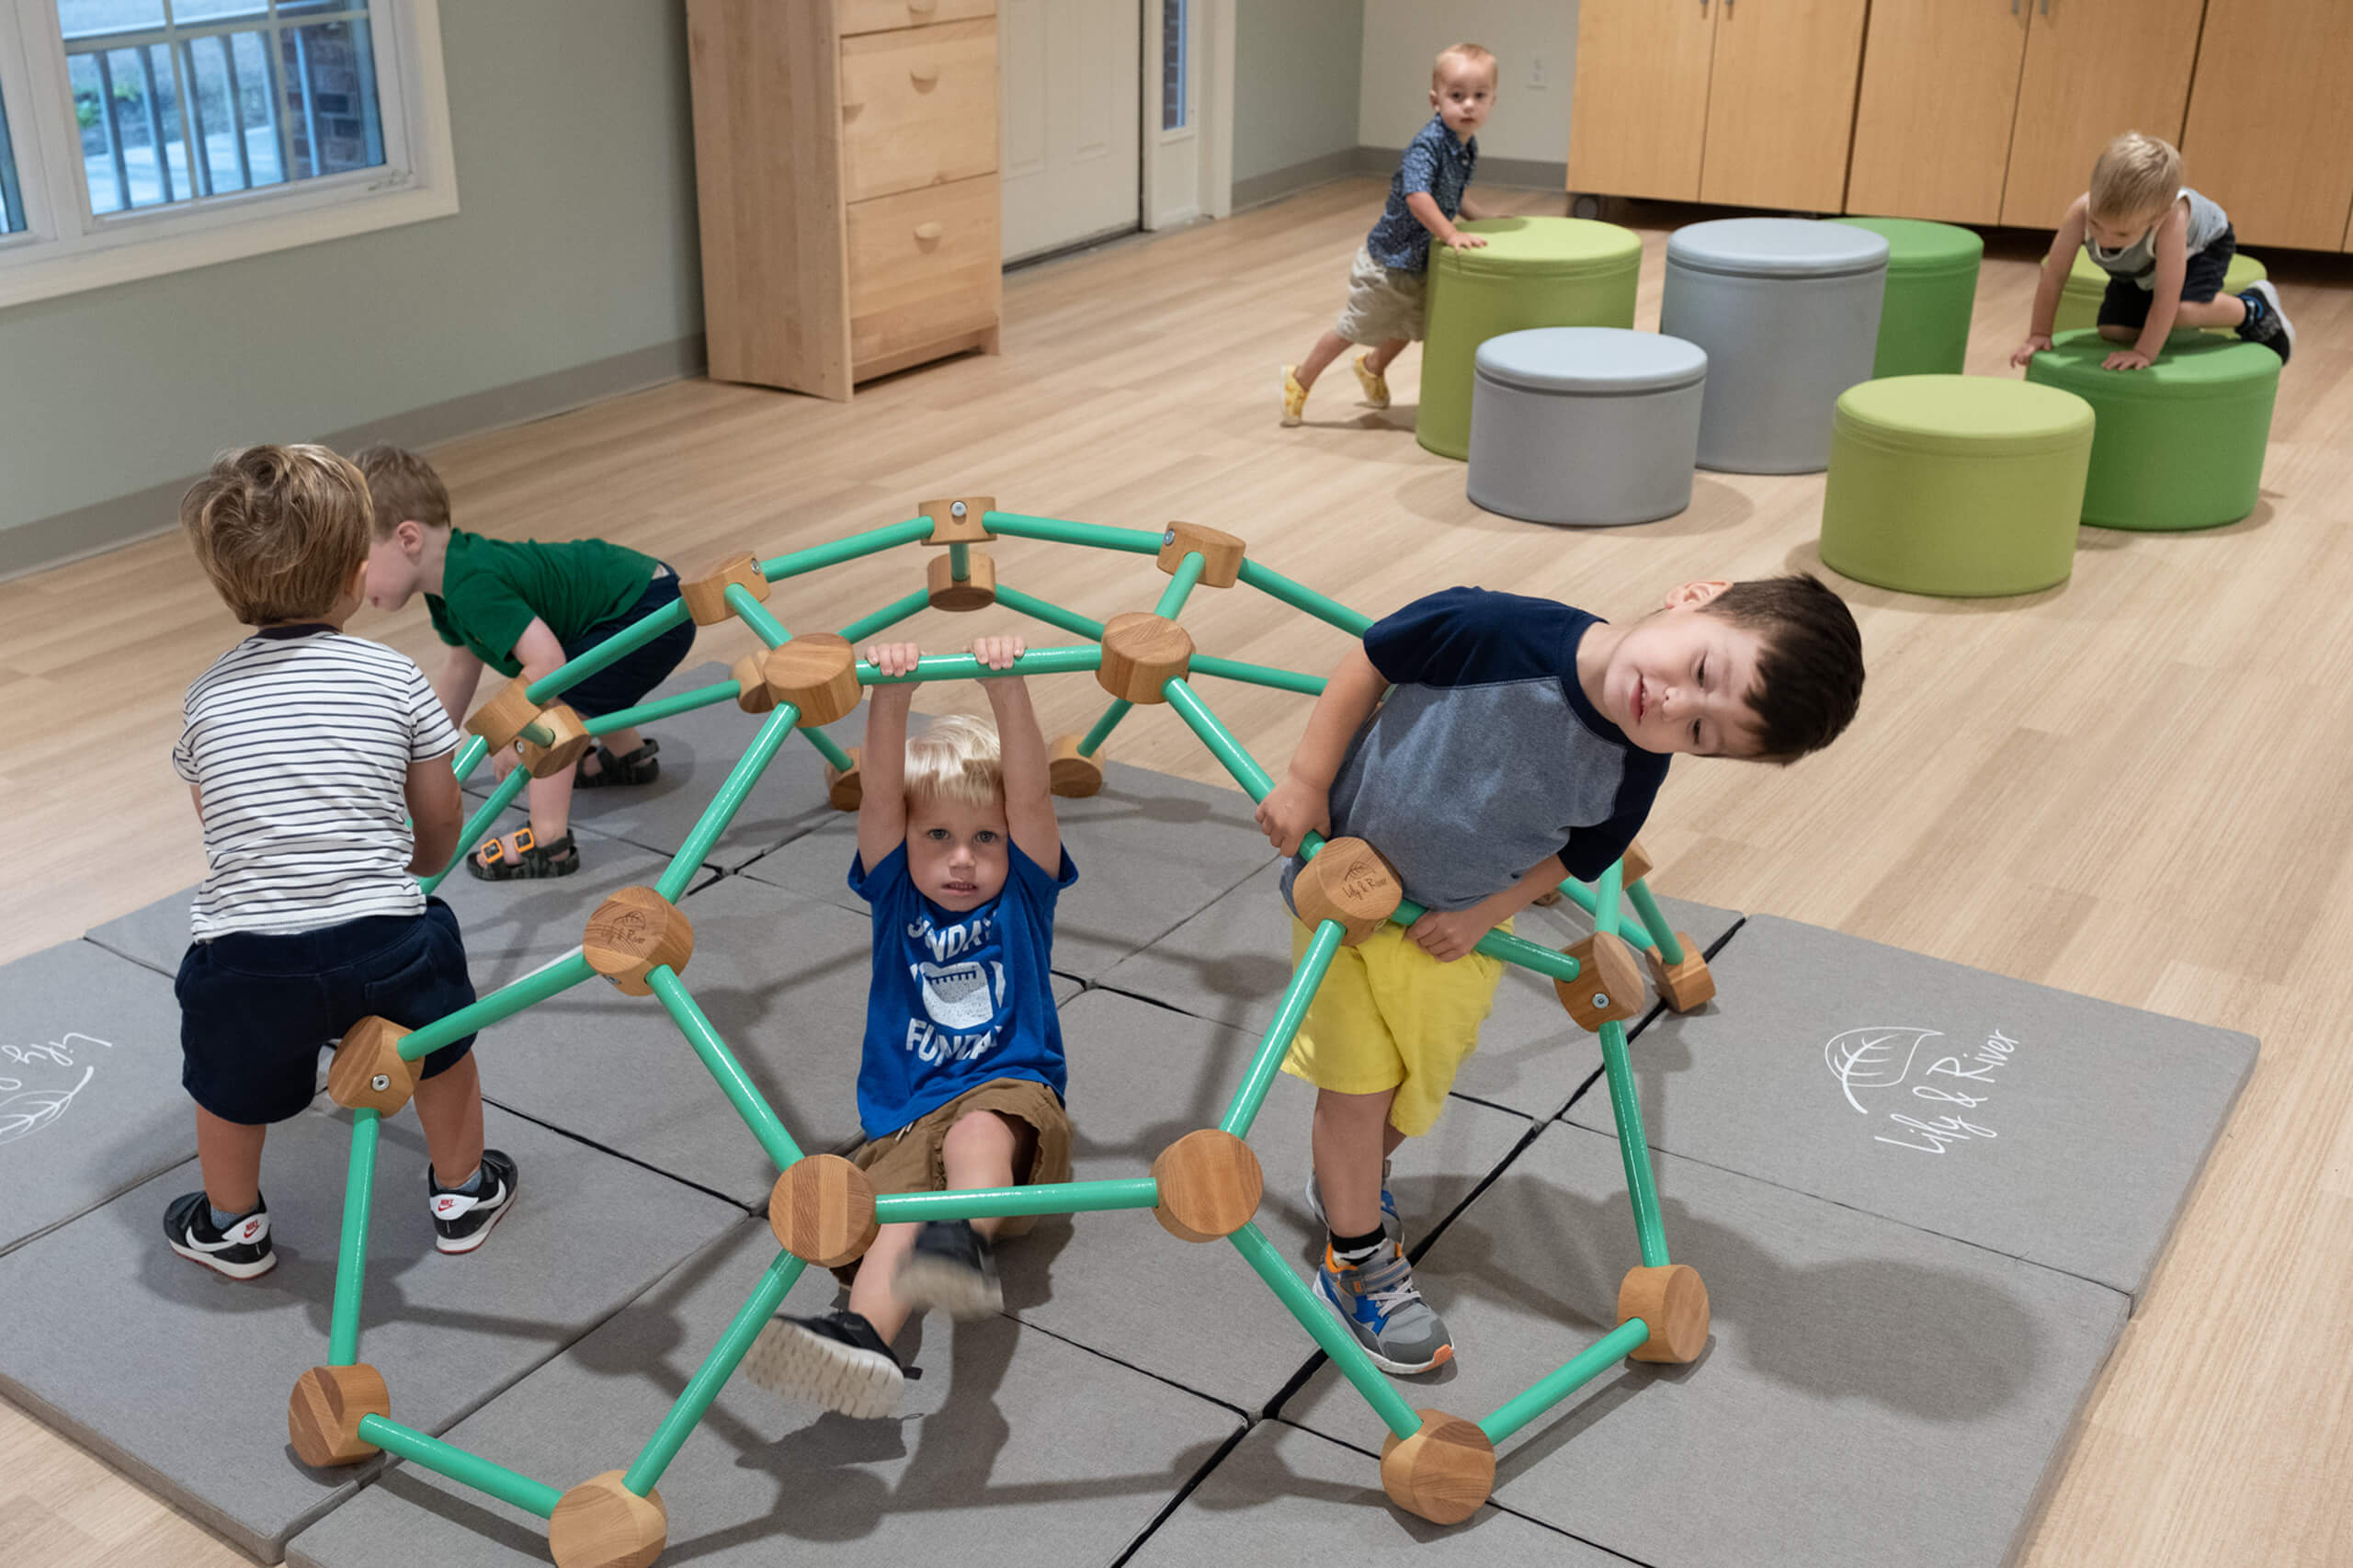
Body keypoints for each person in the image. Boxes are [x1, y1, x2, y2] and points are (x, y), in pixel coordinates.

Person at [1254, 577, 1865, 1373]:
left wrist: (1483, 913)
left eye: (1703, 733)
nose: (1672, 705)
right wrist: (1305, 778)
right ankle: (1355, 1256)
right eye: (1703, 672)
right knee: (1358, 1091)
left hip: (1452, 931)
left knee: (1415, 1089)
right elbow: (1368, 662)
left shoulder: (1637, 764)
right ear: (1695, 596)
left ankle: (1351, 1182)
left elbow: (1576, 856)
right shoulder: (1495, 629)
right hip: (1341, 893)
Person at [165, 445, 517, 1279]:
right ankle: (463, 1194)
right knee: (439, 1048)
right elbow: (439, 817)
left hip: (249, 958)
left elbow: (220, 828)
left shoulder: (207, 695)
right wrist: (420, 871)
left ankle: (231, 1225)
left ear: (227, 585)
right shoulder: (395, 677)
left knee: (225, 1083)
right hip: (383, 941)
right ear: (357, 576)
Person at [744, 635, 1077, 1417]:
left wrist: (1008, 689)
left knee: (974, 1142)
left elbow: (1030, 798)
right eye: (939, 838)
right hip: (901, 1120)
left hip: (1008, 1092)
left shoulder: (1022, 895)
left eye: (984, 839)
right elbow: (880, 801)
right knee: (890, 1220)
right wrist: (889, 699)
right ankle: (862, 1341)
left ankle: (960, 1237)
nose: (963, 861)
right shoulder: (896, 892)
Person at [354, 444, 699, 880]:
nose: (352, 578)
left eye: (358, 559)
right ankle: (629, 757)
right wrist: (427, 757)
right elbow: (461, 669)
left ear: (407, 539)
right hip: (646, 598)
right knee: (583, 684)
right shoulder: (451, 583)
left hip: (651, 613)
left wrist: (510, 735)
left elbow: (548, 664)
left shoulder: (470, 585)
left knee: (553, 707)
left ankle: (548, 841)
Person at [1282, 42, 1499, 426]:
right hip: (1388, 261)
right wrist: (1450, 234)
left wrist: (1482, 219)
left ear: (1492, 101)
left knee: (1411, 327)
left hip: (1417, 261)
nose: (1468, 105)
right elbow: (1418, 197)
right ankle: (1299, 379)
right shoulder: (1428, 144)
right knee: (1355, 327)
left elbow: (1450, 193)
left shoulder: (1466, 145)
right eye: (1457, 96)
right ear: (1435, 100)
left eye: (1479, 96)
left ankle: (1372, 365)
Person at [2011, 131, 2292, 372]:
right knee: (2114, 332)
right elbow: (2054, 277)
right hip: (2140, 264)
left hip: (2203, 248)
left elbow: (2167, 294)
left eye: (2121, 233)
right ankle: (2167, 322)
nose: (2105, 239)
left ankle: (2252, 307)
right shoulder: (2081, 212)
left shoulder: (2172, 223)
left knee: (2179, 312)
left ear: (2157, 219)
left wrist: (2144, 352)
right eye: (2096, 224)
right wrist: (2038, 334)